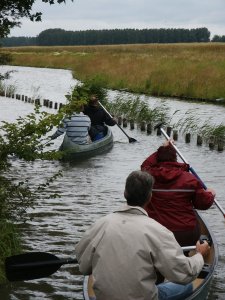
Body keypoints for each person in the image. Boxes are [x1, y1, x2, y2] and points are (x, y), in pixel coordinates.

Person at [75, 170, 210, 300]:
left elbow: (84, 267)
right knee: (186, 285)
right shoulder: (158, 231)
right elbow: (185, 274)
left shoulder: (101, 224)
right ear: (150, 196)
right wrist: (199, 255)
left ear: (124, 193)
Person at [141, 140, 215, 246]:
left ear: (157, 159)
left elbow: (145, 165)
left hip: (157, 232)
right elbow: (202, 204)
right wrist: (210, 195)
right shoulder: (189, 179)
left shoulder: (148, 176)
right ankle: (187, 256)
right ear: (175, 159)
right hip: (185, 234)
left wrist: (163, 148)